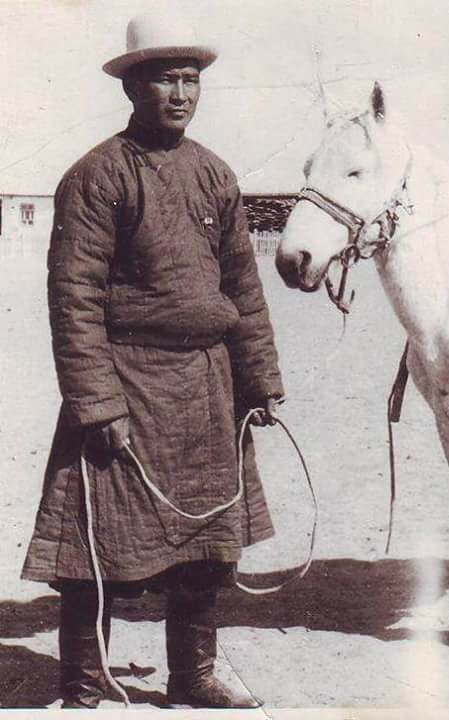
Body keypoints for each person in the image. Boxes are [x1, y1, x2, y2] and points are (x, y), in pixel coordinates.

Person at [21, 13, 284, 710]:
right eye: (166, 79)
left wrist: (260, 380)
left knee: (207, 541)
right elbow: (74, 298)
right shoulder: (97, 176)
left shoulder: (215, 174)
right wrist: (98, 403)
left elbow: (242, 287)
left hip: (208, 388)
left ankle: (192, 677)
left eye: (191, 80)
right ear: (132, 87)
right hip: (127, 384)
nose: (180, 94)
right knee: (95, 546)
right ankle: (82, 688)